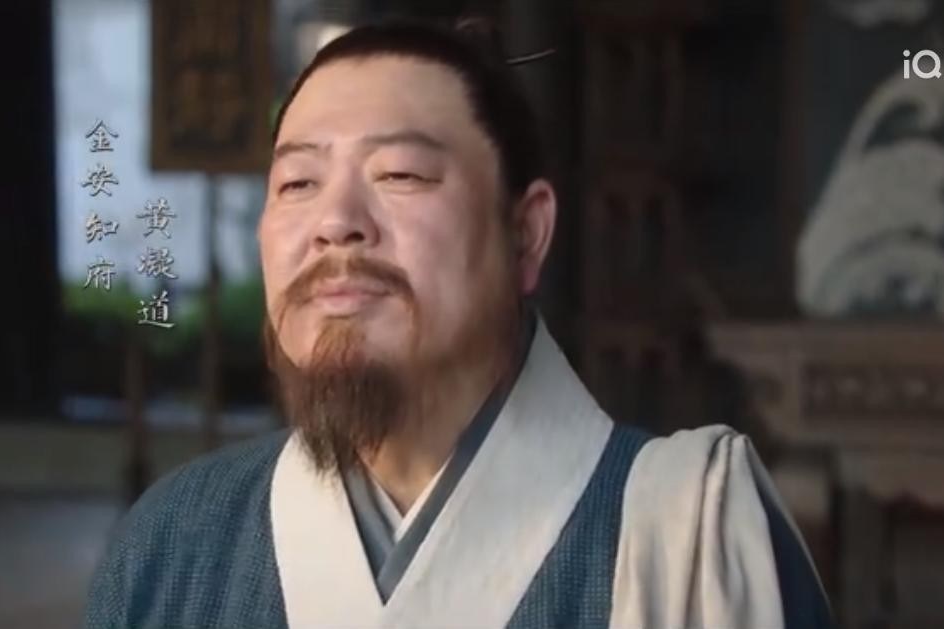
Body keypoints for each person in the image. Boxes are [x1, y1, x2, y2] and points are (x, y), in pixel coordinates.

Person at [85, 19, 830, 629]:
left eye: (401, 174)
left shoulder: (689, 538)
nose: (335, 223)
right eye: (297, 182)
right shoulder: (171, 541)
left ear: (525, 233)